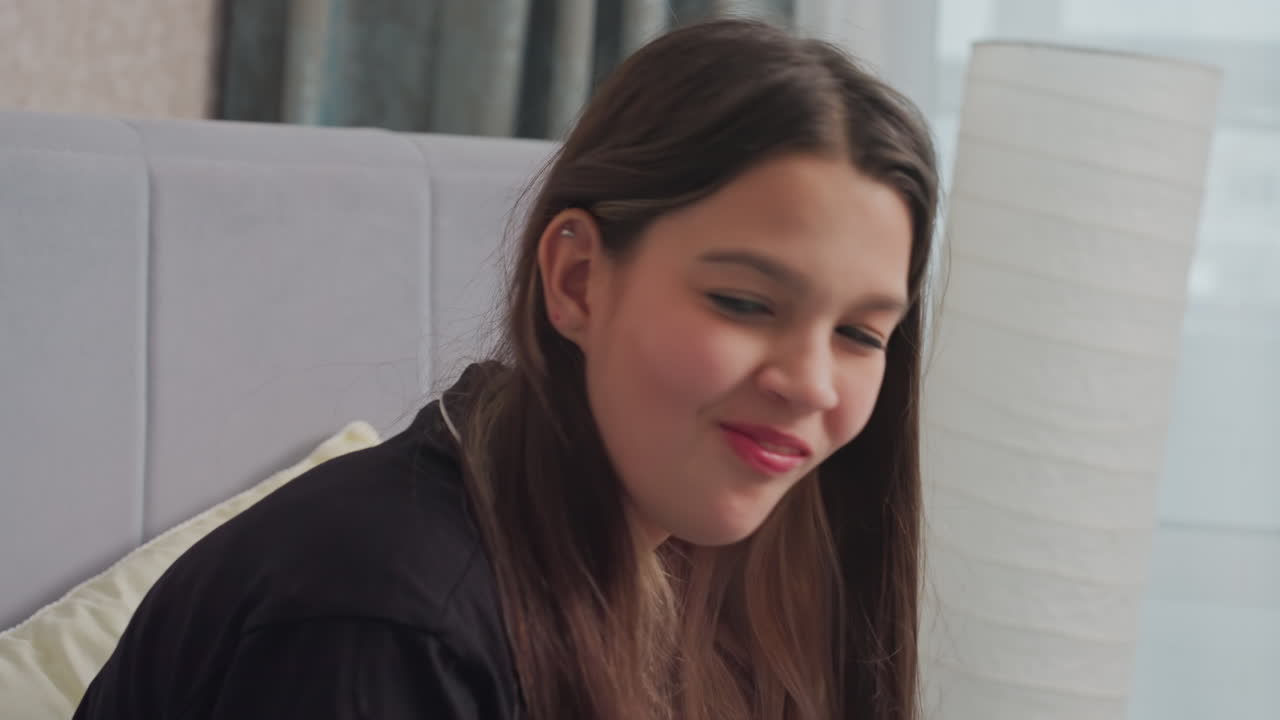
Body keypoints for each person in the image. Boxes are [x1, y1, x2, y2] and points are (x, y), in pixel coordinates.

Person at [73, 16, 938, 720]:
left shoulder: (698, 566)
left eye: (862, 335)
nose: (814, 383)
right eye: (745, 304)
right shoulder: (393, 621)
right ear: (578, 280)